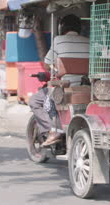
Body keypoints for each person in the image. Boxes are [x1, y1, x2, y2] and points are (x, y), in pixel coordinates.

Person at [29, 14, 90, 146]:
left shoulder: (58, 40)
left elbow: (47, 65)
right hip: (86, 87)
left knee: (34, 100)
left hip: (65, 88)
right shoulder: (88, 41)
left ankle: (53, 130)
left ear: (62, 27)